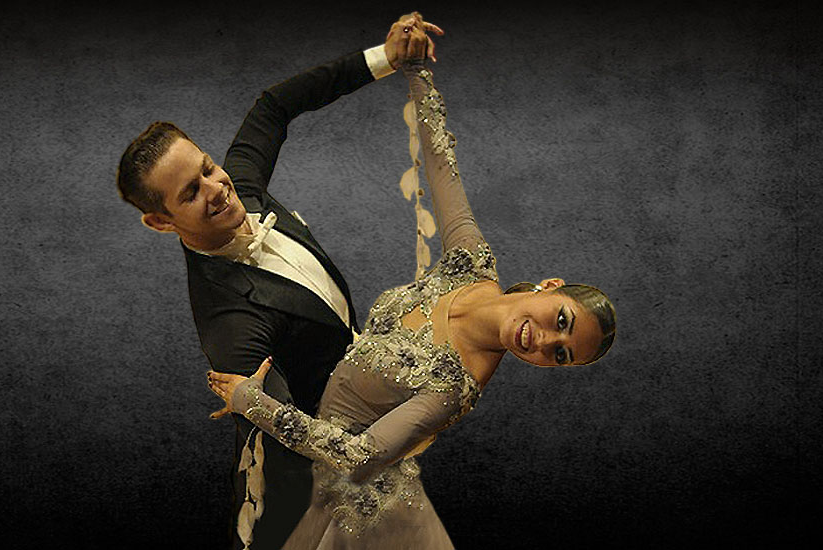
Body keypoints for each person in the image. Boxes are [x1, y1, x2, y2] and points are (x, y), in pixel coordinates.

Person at [206, 20, 617, 549]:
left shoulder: (455, 388)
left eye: (560, 355)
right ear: (550, 286)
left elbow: (357, 457)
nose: (545, 341)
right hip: (314, 448)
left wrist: (252, 402)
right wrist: (416, 67)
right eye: (561, 321)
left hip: (346, 498)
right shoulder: (471, 263)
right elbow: (442, 166)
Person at [116, 13, 445, 550]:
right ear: (160, 221)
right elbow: (286, 436)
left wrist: (386, 57)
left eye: (206, 168)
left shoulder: (240, 186)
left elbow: (274, 105)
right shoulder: (229, 324)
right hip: (326, 473)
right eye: (190, 194)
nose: (216, 189)